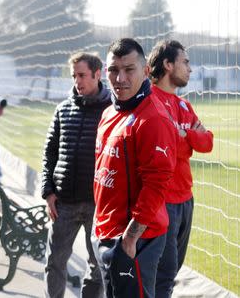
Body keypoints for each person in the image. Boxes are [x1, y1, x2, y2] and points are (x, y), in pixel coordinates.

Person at [91, 38, 177, 298]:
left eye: (129, 69)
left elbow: (156, 186)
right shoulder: (109, 113)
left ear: (146, 72)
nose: (120, 78)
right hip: (107, 233)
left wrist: (130, 238)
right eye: (113, 70)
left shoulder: (153, 118)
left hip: (135, 239)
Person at [148, 40, 213, 298]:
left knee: (171, 272)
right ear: (167, 64)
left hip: (186, 199)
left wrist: (183, 133)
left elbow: (207, 142)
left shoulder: (184, 105)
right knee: (162, 277)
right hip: (161, 201)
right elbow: (163, 146)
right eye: (185, 62)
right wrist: (187, 135)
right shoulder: (149, 100)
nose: (190, 68)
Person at [42, 52, 110, 298]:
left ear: (97, 74)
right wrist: (48, 192)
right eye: (74, 76)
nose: (77, 81)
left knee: (98, 266)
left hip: (97, 204)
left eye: (82, 75)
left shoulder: (113, 110)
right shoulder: (62, 110)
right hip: (64, 204)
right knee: (54, 262)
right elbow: (49, 153)